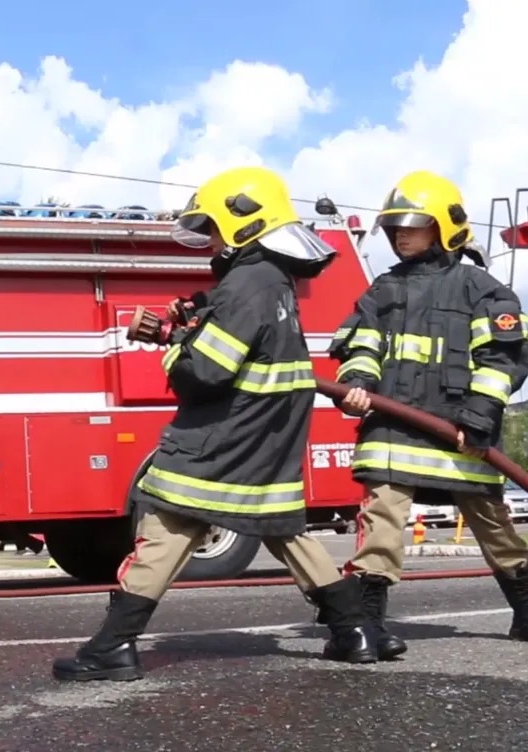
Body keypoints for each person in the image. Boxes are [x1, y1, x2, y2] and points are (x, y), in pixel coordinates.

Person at [51, 166, 380, 683]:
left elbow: (203, 373)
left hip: (222, 439)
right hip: (265, 440)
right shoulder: (274, 281)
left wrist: (173, 349)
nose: (209, 241)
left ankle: (112, 647)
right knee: (285, 531)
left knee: (166, 524)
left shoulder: (246, 282)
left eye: (213, 228)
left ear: (244, 222)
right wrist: (199, 317)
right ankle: (354, 631)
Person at [330, 169, 528, 661]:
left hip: (463, 432)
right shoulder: (382, 289)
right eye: (394, 227)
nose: (400, 235)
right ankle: (369, 626)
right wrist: (357, 384)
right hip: (393, 431)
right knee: (381, 523)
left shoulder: (482, 290)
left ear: (445, 227)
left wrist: (477, 418)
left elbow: (502, 361)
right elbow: (361, 346)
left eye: (412, 225)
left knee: (494, 526)